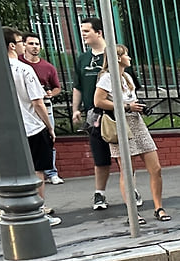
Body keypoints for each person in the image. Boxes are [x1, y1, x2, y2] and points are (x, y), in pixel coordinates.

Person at [93, 44, 168, 225]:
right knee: (127, 171)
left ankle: (158, 207)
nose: (130, 58)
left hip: (136, 122)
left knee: (155, 167)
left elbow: (129, 98)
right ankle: (133, 212)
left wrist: (137, 106)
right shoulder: (107, 78)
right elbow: (98, 101)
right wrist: (126, 107)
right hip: (119, 124)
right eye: (127, 55)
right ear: (118, 58)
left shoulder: (126, 76)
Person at [5, 28, 60, 226]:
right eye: (20, 41)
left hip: (7, 130)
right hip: (31, 126)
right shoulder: (23, 69)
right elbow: (37, 102)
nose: (22, 45)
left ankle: (9, 211)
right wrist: (49, 126)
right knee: (37, 170)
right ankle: (38, 211)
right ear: (12, 45)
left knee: (10, 172)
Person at [72, 17, 122, 212]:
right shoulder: (83, 58)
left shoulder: (114, 54)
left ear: (99, 32)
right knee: (100, 157)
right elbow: (77, 86)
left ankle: (131, 190)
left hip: (114, 112)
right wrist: (76, 109)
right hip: (94, 116)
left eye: (86, 31)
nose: (83, 34)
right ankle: (99, 193)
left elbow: (127, 80)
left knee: (123, 155)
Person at [21, 32, 63, 184]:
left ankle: (51, 172)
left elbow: (57, 87)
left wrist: (51, 93)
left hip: (44, 105)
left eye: (37, 44)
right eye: (31, 43)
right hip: (26, 107)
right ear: (24, 45)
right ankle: (30, 171)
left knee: (48, 139)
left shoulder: (47, 67)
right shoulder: (19, 64)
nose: (34, 47)